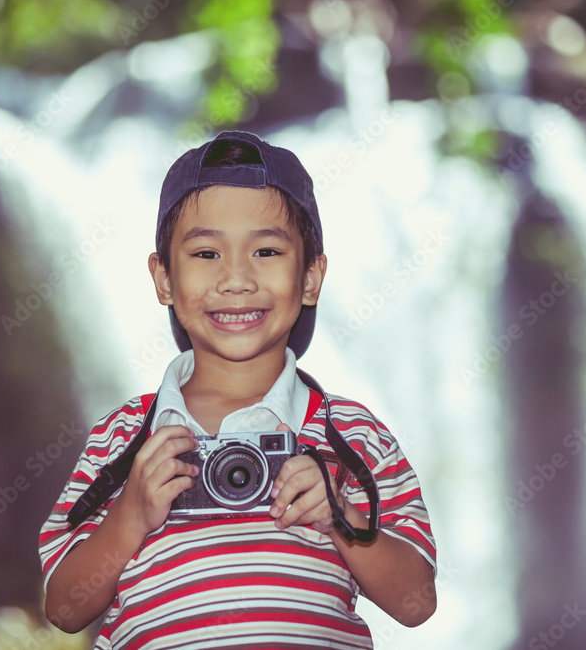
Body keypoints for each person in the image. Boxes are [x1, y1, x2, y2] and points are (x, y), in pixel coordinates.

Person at [39, 130, 437, 649]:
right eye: (206, 253)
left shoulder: (352, 435)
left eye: (266, 251)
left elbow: (416, 602)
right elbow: (64, 608)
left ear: (311, 276)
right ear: (163, 279)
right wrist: (130, 514)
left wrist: (341, 515)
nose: (236, 278)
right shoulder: (123, 438)